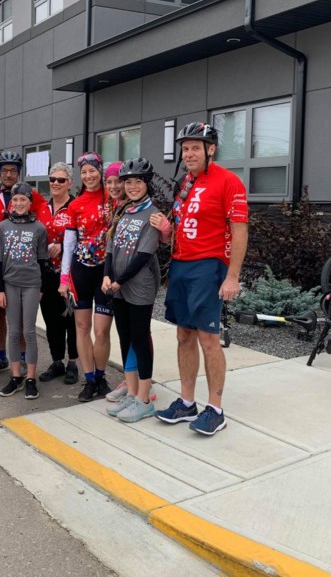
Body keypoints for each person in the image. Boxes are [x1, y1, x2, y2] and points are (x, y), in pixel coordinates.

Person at [154, 122, 249, 436]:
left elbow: (239, 231)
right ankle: (186, 402)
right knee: (184, 336)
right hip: (181, 264)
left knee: (209, 339)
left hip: (209, 267)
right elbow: (180, 224)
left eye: (196, 147)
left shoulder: (229, 182)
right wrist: (167, 234)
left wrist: (232, 276)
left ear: (211, 149)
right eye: (185, 148)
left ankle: (215, 409)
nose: (189, 153)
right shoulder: (186, 183)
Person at [102, 158, 166, 422]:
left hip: (138, 287)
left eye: (137, 181)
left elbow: (142, 256)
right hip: (117, 287)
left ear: (146, 184)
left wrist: (118, 280)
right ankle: (131, 391)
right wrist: (107, 275)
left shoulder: (152, 215)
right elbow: (109, 249)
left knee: (140, 340)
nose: (132, 186)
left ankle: (144, 398)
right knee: (125, 339)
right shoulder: (122, 212)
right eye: (128, 182)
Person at [0, 151, 50, 375]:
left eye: (13, 170)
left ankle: (22, 357)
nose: (8, 174)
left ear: (19, 172)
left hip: (24, 261)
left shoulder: (29, 194)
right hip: (0, 260)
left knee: (21, 317)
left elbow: (45, 219)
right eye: (4, 171)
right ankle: (3, 356)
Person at [58, 153, 114, 402]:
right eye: (84, 172)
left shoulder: (113, 198)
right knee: (82, 327)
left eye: (93, 171)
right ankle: (89, 379)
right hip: (81, 272)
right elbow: (69, 244)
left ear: (100, 171)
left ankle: (101, 377)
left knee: (101, 331)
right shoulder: (75, 204)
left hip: (105, 272)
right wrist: (64, 278)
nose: (89, 176)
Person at [0, 182, 50, 400]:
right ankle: (16, 376)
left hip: (32, 284)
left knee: (29, 332)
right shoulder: (2, 227)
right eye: (15, 199)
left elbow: (43, 260)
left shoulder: (39, 228)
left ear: (30, 202)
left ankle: (30, 378)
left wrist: (43, 287)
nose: (18, 203)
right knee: (14, 331)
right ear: (11, 203)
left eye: (23, 199)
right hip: (10, 283)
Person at [37, 162, 80, 385]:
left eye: (61, 180)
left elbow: (86, 238)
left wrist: (64, 246)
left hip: (71, 273)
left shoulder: (76, 206)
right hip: (47, 274)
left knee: (70, 320)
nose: (55, 183)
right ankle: (57, 361)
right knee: (51, 320)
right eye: (52, 179)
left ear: (70, 183)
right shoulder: (42, 208)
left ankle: (73, 362)